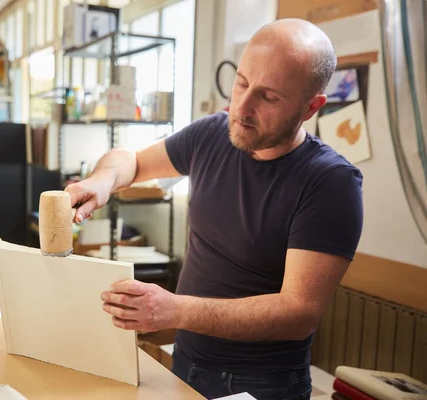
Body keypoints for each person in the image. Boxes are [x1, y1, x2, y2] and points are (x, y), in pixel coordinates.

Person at [65, 18, 363, 400]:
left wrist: (175, 311)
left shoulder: (330, 182)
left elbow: (298, 313)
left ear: (311, 108)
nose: (243, 107)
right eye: (242, 83)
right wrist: (103, 180)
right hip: (188, 361)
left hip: (263, 383)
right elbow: (132, 160)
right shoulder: (211, 134)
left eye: (268, 97)